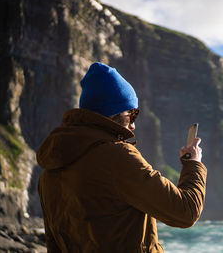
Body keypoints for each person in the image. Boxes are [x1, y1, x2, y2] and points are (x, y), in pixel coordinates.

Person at [36, 62, 207, 253]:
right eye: (131, 114)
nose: (133, 125)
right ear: (113, 113)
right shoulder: (117, 157)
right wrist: (193, 164)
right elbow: (185, 212)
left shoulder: (49, 171)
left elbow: (54, 245)